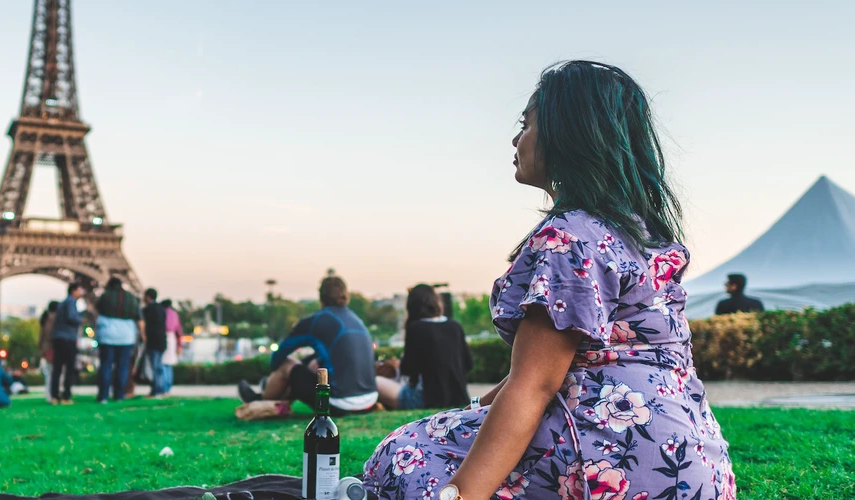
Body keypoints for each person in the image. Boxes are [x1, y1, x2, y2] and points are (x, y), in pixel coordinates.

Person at [362, 61, 735, 500]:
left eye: (526, 124)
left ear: (567, 133)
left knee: (408, 449)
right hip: (693, 466)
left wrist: (460, 495)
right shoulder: (639, 233)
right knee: (454, 426)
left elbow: (535, 384)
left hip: (612, 459)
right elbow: (549, 365)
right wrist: (473, 412)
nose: (516, 139)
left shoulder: (568, 237)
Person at [237, 275, 378, 416]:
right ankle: (277, 400)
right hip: (369, 401)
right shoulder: (357, 320)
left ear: (321, 297)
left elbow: (277, 358)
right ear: (346, 295)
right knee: (312, 363)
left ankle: (261, 401)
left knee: (288, 365)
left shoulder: (316, 321)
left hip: (339, 404)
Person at [375, 284, 473, 410]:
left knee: (375, 382)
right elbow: (469, 363)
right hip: (459, 397)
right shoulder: (455, 326)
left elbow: (408, 370)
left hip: (426, 399)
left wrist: (397, 366)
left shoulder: (416, 328)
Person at [94, 277, 143, 403]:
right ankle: (119, 395)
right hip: (126, 336)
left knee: (106, 365)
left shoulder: (105, 297)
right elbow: (139, 319)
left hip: (107, 335)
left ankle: (103, 396)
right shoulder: (132, 298)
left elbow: (97, 310)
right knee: (122, 367)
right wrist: (143, 335)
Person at [48, 282, 86, 404]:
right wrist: (81, 320)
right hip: (68, 338)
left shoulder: (63, 303)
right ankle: (66, 396)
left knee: (57, 368)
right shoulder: (71, 302)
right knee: (69, 368)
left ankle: (54, 396)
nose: (82, 292)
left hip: (59, 338)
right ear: (74, 290)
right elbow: (71, 317)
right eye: (80, 289)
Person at [141, 288, 168, 398]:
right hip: (162, 340)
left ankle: (156, 390)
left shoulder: (147, 309)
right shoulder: (162, 308)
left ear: (148, 297)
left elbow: (144, 324)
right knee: (159, 366)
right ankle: (161, 389)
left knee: (154, 367)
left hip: (152, 341)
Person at [160, 299, 183, 395]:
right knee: (169, 365)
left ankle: (164, 388)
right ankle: (168, 388)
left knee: (162, 364)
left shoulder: (162, 312)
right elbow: (179, 331)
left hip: (163, 337)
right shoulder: (174, 314)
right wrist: (179, 345)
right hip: (172, 339)